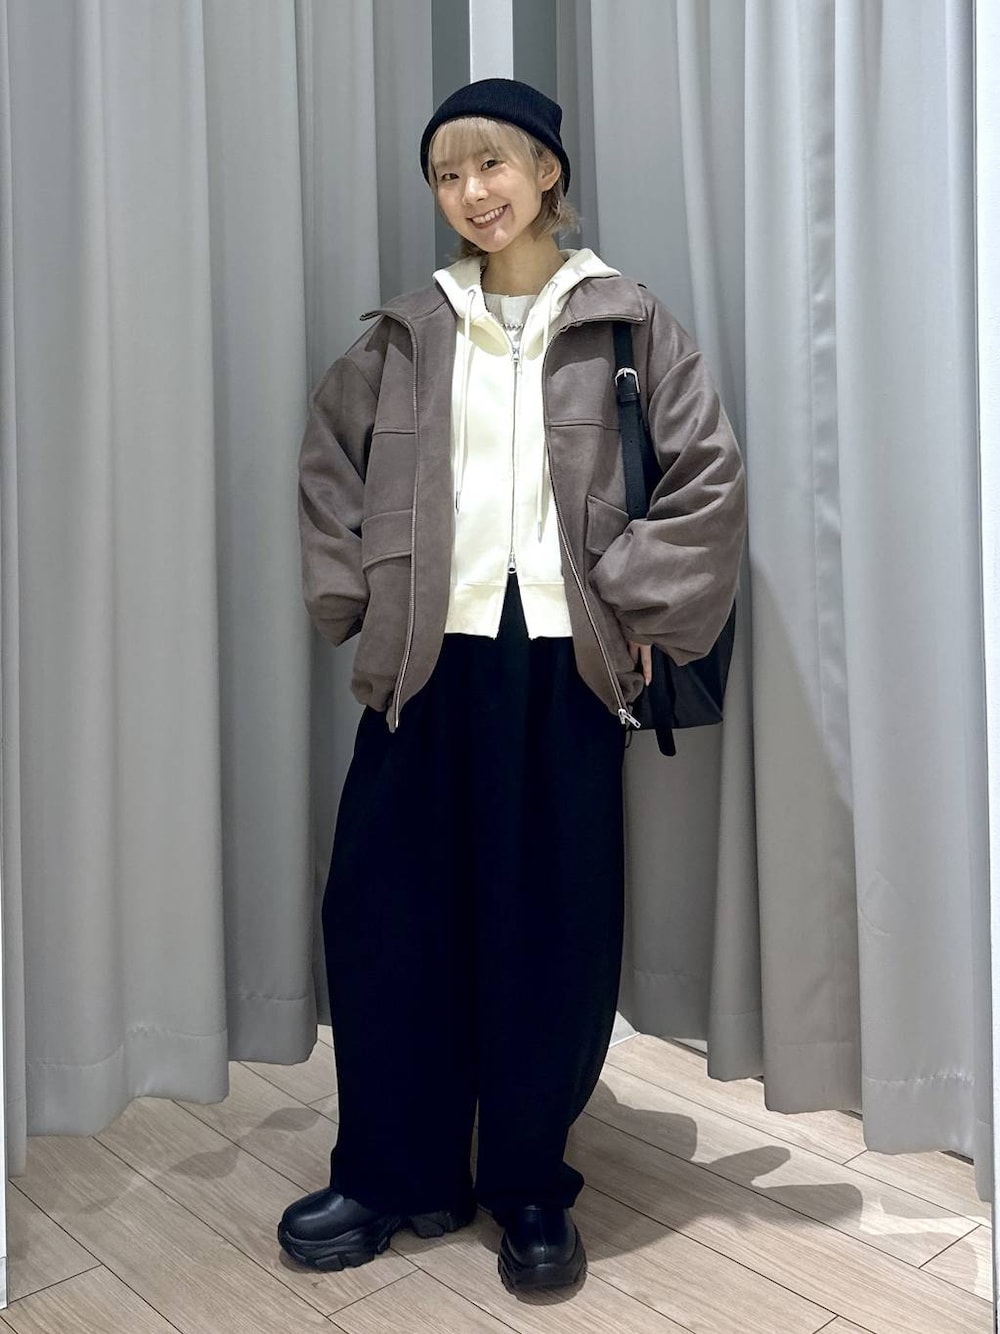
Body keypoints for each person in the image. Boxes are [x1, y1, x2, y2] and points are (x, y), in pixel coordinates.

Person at [278, 77, 747, 1293]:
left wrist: (642, 606)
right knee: (387, 923)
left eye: (492, 163)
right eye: (446, 174)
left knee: (551, 929)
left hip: (562, 670)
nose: (470, 192)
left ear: (547, 171)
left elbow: (705, 479)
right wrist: (358, 597)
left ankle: (530, 1181)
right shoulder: (406, 332)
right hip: (424, 667)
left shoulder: (627, 322)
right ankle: (394, 1171)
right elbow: (328, 468)